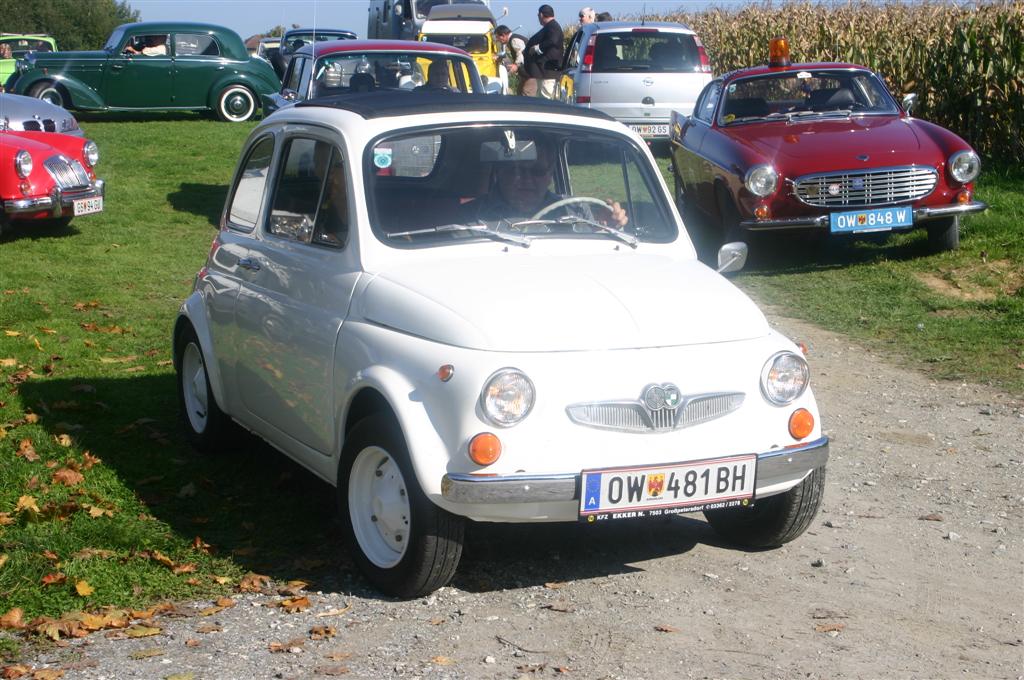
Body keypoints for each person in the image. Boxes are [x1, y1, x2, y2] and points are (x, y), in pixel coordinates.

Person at [461, 136, 627, 228]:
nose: (526, 180)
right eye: (516, 171)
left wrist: (606, 227)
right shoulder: (472, 215)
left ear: (550, 174)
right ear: (500, 172)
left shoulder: (575, 211)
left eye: (537, 171)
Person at [522, 4, 563, 99]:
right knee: (543, 96)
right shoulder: (550, 26)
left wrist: (538, 47)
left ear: (541, 15)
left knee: (546, 97)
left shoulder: (553, 26)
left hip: (548, 71)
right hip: (544, 71)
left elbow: (553, 40)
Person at [494, 25, 527, 94]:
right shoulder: (510, 41)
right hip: (525, 73)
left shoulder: (514, 40)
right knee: (520, 93)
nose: (497, 40)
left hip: (530, 73)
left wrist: (516, 65)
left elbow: (520, 54)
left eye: (497, 37)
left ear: (503, 35)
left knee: (526, 94)